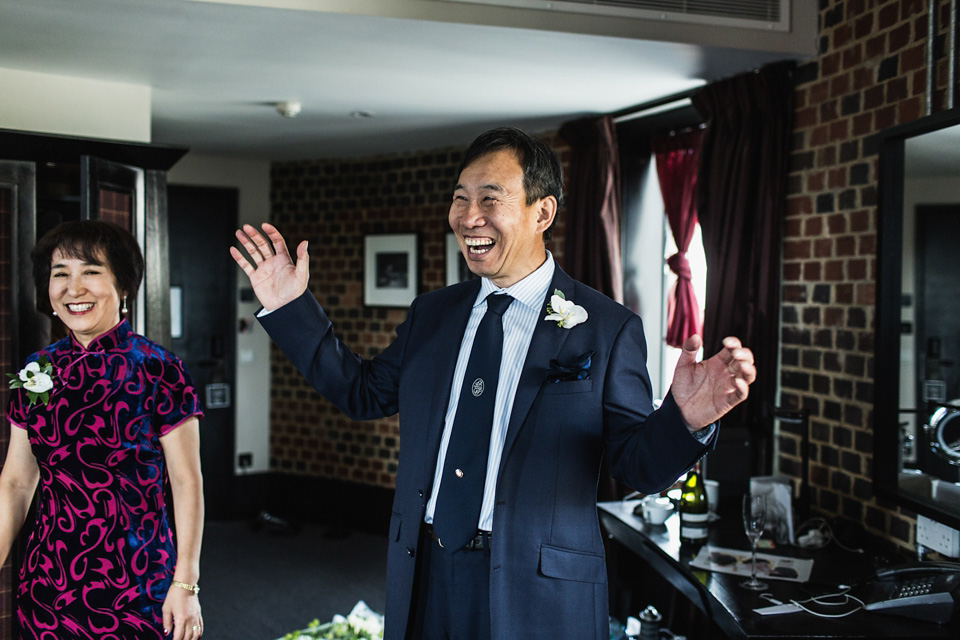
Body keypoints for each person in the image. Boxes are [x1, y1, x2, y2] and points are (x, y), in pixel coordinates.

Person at [231, 127, 756, 640]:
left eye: (490, 197)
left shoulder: (606, 327)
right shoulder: (432, 314)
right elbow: (361, 392)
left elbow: (634, 465)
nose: (468, 216)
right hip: (426, 574)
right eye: (460, 198)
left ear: (542, 212)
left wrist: (685, 420)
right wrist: (289, 307)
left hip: (539, 592)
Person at [0, 220, 205, 640]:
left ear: (124, 285)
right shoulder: (37, 370)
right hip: (48, 584)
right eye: (61, 274)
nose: (74, 288)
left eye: (90, 271)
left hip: (138, 584)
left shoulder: (159, 369)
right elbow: (17, 483)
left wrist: (185, 584)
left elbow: (187, 482)